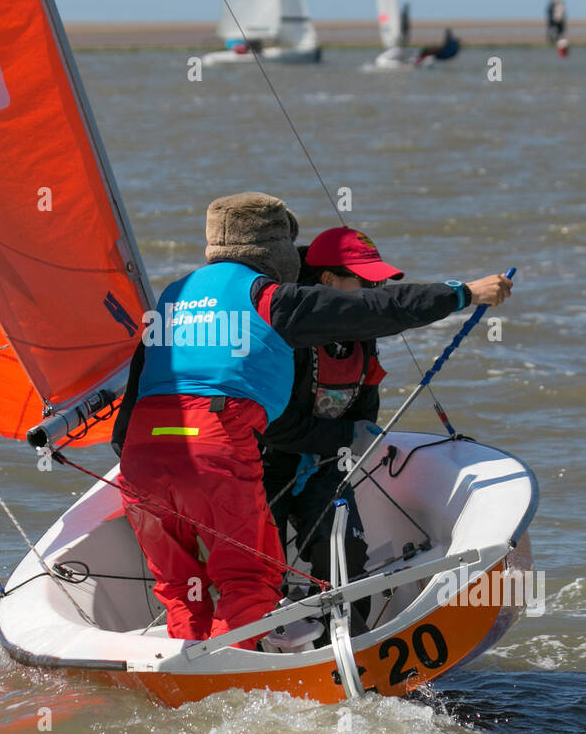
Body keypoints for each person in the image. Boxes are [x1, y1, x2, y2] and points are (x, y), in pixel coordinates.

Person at [110, 193, 512, 646]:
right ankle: (227, 695)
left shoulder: (172, 299)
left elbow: (131, 404)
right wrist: (463, 293)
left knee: (182, 588)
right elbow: (378, 310)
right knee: (250, 581)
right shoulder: (269, 299)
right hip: (215, 447)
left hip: (141, 459)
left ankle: (184, 686)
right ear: (273, 250)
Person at [258, 228, 409, 631]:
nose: (375, 290)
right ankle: (257, 648)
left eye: (379, 282)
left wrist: (360, 433)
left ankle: (345, 643)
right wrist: (347, 436)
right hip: (262, 467)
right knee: (257, 571)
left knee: (346, 557)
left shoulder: (363, 334)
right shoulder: (287, 331)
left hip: (323, 465)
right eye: (366, 280)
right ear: (328, 281)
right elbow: (275, 426)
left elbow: (363, 407)